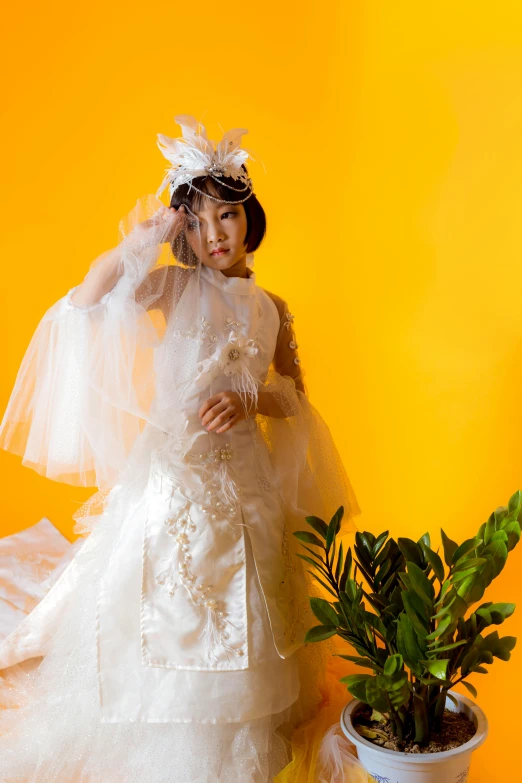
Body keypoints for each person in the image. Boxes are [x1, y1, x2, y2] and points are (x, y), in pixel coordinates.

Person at [0, 114, 361, 782]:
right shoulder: (174, 286)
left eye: (225, 215)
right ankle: (165, 714)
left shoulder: (271, 308)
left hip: (245, 480)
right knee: (167, 599)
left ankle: (246, 716)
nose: (213, 234)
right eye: (195, 222)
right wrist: (140, 244)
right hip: (172, 480)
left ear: (249, 217)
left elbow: (294, 396)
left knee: (253, 603)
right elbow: (89, 296)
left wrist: (253, 399)